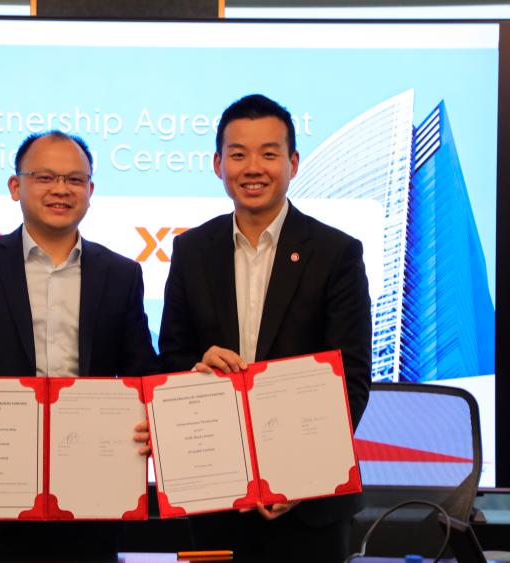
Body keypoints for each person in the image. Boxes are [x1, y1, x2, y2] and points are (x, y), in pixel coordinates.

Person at [0, 130, 158, 561]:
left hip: (92, 492)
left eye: (75, 180)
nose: (61, 189)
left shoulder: (121, 274)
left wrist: (159, 414)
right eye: (45, 177)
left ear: (90, 191)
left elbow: (142, 370)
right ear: (16, 186)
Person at [158, 94, 372, 562]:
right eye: (238, 154)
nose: (253, 167)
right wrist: (195, 368)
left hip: (311, 509)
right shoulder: (192, 251)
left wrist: (301, 476)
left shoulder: (336, 254)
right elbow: (170, 361)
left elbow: (351, 382)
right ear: (218, 164)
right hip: (215, 496)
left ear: (293, 163)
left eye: (269, 153)